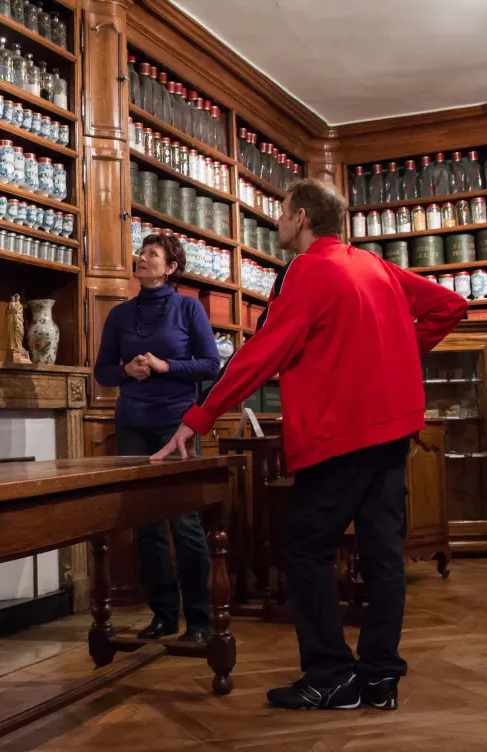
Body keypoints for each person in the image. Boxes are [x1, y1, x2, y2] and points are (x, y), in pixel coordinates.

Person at [153, 178, 467, 710]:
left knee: (304, 544)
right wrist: (389, 352)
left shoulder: (308, 270)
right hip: (393, 429)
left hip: (342, 432)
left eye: (280, 213)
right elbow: (450, 305)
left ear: (301, 218)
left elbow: (263, 353)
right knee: (383, 553)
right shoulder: (373, 265)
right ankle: (380, 678)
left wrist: (200, 417)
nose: (278, 223)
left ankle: (330, 676)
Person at [94, 232, 220, 644]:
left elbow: (209, 366)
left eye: (153, 255)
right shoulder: (119, 315)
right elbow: (102, 372)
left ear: (170, 268)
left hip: (175, 422)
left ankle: (199, 620)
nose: (142, 258)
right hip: (132, 422)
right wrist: (126, 372)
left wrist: (167, 366)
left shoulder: (188, 308)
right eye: (141, 252)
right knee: (146, 523)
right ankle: (164, 615)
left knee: (184, 521)